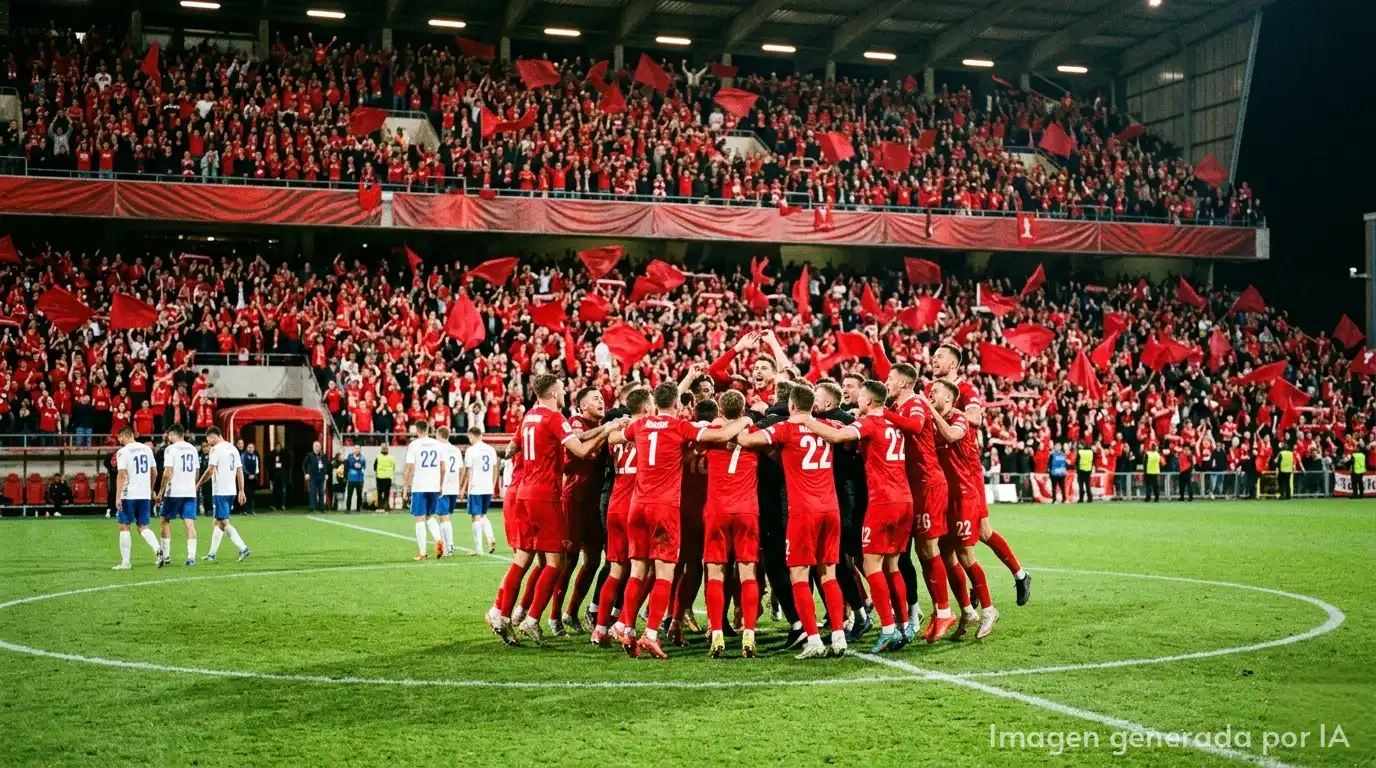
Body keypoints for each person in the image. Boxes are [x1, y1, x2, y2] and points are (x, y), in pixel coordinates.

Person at [606, 378, 747, 658]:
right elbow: (718, 437)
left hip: (637, 505)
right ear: (675, 403)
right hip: (664, 507)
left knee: (637, 570)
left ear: (654, 404)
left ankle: (627, 628)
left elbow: (612, 438)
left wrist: (618, 427)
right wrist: (743, 422)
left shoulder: (641, 425)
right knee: (665, 572)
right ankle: (650, 634)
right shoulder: (681, 427)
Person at [490, 374, 621, 647]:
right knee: (555, 563)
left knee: (523, 558)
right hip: (546, 495)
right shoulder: (554, 417)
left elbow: (511, 449)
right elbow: (581, 451)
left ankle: (502, 615)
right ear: (552, 393)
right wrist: (607, 431)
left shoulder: (529, 416)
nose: (564, 394)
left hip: (523, 493)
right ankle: (532, 619)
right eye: (561, 390)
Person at [793, 379, 915, 653]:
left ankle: (886, 629)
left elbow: (837, 437)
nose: (857, 402)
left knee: (871, 566)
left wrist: (804, 419)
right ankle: (904, 626)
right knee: (892, 566)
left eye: (860, 397)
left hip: (883, 501)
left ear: (870, 401)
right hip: (905, 498)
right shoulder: (893, 424)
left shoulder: (870, 423)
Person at [735, 385, 849, 659]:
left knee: (799, 574)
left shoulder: (785, 428)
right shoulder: (826, 425)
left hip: (803, 512)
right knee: (828, 574)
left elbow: (745, 441)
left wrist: (746, 420)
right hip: (830, 508)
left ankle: (813, 639)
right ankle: (838, 636)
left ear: (791, 405)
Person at [930, 343, 1029, 606]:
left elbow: (976, 418)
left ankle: (1004, 581)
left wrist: (949, 412)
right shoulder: (933, 391)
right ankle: (1015, 576)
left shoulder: (965, 389)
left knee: (976, 535)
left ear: (953, 364)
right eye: (933, 356)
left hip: (967, 470)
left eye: (939, 356)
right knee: (960, 539)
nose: (933, 360)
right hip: (943, 470)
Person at [884, 363, 956, 644]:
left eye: (890, 379)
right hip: (913, 487)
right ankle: (940, 613)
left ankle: (946, 611)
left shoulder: (915, 403)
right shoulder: (901, 405)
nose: (887, 383)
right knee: (924, 554)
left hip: (929, 483)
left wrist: (886, 415)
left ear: (903, 383)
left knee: (929, 549)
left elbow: (915, 427)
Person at [924, 380, 999, 640]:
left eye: (935, 393)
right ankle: (967, 610)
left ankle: (989, 609)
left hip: (964, 496)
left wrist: (929, 411)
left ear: (949, 398)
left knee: (966, 554)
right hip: (943, 496)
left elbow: (952, 436)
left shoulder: (959, 419)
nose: (930, 395)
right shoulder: (933, 420)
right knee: (947, 556)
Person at [697, 389, 765, 657]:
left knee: (715, 573)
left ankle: (716, 634)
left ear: (721, 410)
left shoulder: (712, 430)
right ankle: (748, 633)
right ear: (744, 409)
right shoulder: (754, 434)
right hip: (747, 510)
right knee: (747, 573)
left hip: (716, 510)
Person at [590, 387, 648, 649]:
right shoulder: (647, 430)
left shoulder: (616, 436)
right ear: (647, 408)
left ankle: (600, 629)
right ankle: (625, 623)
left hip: (615, 503)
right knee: (646, 570)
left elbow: (610, 438)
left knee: (616, 570)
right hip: (636, 506)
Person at [550, 387, 609, 636]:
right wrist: (606, 430)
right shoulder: (575, 422)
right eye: (595, 399)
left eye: (602, 398)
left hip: (595, 502)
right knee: (569, 560)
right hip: (574, 498)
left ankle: (571, 611)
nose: (601, 401)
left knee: (594, 561)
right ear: (583, 406)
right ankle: (554, 617)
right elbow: (580, 443)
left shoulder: (606, 424)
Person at [112, 427, 163, 569]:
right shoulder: (147, 449)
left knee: (124, 526)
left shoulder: (122, 452)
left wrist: (117, 497)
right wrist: (151, 489)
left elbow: (121, 474)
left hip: (128, 494)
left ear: (123, 436)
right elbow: (154, 472)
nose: (119, 441)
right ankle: (158, 549)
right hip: (144, 495)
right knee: (144, 527)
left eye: (119, 438)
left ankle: (126, 562)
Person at [199, 427, 250, 562]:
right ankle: (211, 554)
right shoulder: (233, 448)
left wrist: (198, 484)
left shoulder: (216, 449)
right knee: (217, 522)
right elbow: (239, 471)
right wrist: (241, 490)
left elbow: (210, 471)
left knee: (224, 522)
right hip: (231, 490)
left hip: (220, 491)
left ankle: (243, 548)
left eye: (208, 439)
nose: (208, 442)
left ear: (214, 436)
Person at [402, 421, 448, 560]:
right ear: (428, 430)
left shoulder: (414, 445)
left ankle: (422, 553)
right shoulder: (439, 445)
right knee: (429, 516)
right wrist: (440, 485)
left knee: (419, 519)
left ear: (417, 430)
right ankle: (439, 539)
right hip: (433, 485)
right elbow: (443, 468)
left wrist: (405, 487)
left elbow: (409, 469)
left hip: (420, 486)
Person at [158, 425, 200, 567]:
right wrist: (193, 486)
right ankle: (191, 557)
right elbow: (196, 471)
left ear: (172, 435)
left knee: (164, 520)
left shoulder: (171, 449)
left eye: (168, 435)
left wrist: (161, 491)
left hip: (174, 491)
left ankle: (166, 556)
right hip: (190, 491)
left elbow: (167, 472)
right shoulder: (193, 449)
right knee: (189, 523)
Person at [460, 427, 498, 554]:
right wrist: (493, 484)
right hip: (488, 486)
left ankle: (479, 549)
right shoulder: (491, 449)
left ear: (472, 436)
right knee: (483, 515)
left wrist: (462, 488)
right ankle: (491, 538)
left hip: (476, 487)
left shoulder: (471, 450)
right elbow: (495, 468)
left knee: (475, 517)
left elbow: (467, 471)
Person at [435, 427, 462, 557]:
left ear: (439, 435)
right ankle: (448, 546)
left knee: (443, 516)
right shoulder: (456, 450)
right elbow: (461, 469)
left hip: (443, 485)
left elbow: (441, 467)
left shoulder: (438, 448)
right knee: (446, 516)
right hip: (454, 486)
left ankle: (449, 546)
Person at [303, 441, 329, 512]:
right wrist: (306, 474)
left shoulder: (323, 455)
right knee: (312, 492)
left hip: (321, 477)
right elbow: (304, 465)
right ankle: (312, 507)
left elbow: (326, 465)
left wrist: (326, 473)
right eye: (316, 446)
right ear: (313, 447)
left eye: (319, 446)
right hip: (312, 477)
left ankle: (322, 508)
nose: (318, 447)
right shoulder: (309, 455)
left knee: (321, 492)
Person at [344, 446, 366, 513]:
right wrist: (345, 477)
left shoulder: (363, 458)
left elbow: (363, 467)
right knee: (349, 495)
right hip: (351, 479)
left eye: (358, 449)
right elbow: (347, 466)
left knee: (359, 494)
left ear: (360, 450)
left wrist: (356, 466)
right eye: (356, 449)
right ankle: (348, 509)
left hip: (359, 479)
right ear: (353, 450)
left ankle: (358, 509)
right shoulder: (349, 457)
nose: (357, 450)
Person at [241, 442, 260, 514]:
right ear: (247, 448)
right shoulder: (244, 455)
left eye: (252, 447)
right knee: (246, 493)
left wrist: (254, 474)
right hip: (246, 478)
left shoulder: (255, 456)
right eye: (249, 447)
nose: (250, 449)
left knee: (252, 494)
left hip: (253, 478)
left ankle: (251, 509)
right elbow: (243, 466)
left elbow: (257, 467)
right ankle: (245, 509)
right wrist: (248, 475)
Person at [374, 445, 396, 510]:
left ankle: (380, 506)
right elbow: (393, 467)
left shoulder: (378, 457)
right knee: (387, 493)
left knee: (379, 493)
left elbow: (374, 467)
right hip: (388, 478)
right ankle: (386, 506)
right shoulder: (391, 457)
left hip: (379, 477)